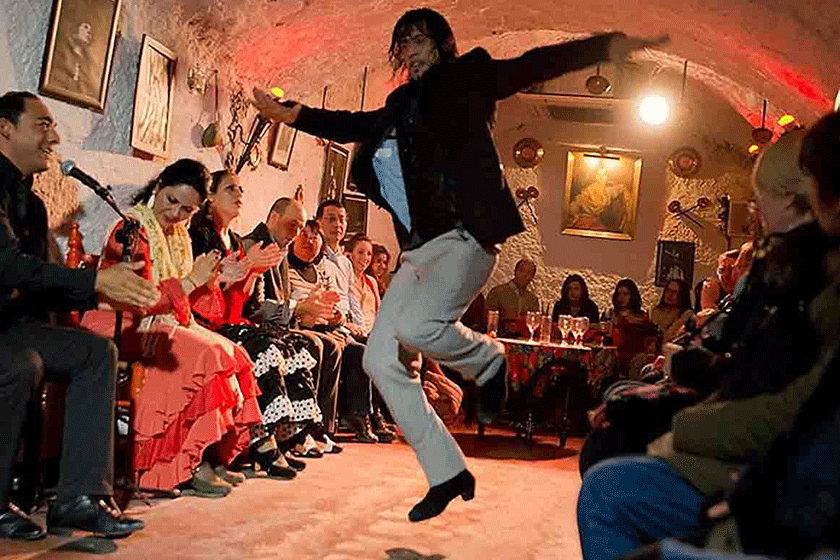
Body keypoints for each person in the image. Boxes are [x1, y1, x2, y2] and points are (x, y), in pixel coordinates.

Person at [252, 7, 666, 522]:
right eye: (403, 43)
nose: (411, 50)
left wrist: (606, 46)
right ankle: (448, 470)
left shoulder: (471, 73)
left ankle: (487, 361)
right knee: (380, 358)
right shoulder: (400, 103)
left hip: (468, 235)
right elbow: (352, 123)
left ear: (442, 43)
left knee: (417, 326)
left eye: (420, 39)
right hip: (422, 248)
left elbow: (534, 64)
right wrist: (292, 114)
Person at [576, 124, 836, 560]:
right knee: (621, 407)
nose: (754, 212)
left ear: (797, 199)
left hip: (766, 474)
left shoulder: (803, 275)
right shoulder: (787, 265)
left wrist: (682, 421)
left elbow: (775, 396)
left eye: (759, 201)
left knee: (609, 472)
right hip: (750, 440)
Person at [0, 91, 153, 540]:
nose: (54, 136)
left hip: (16, 324)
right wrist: (94, 284)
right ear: (4, 128)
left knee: (95, 351)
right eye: (42, 124)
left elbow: (38, 281)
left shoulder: (33, 203)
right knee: (21, 363)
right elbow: (6, 266)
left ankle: (79, 499)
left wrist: (104, 288)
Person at [81, 159, 263, 496]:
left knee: (234, 353)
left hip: (165, 320)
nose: (177, 215)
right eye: (171, 202)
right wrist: (191, 280)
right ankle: (177, 465)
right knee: (208, 353)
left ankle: (208, 455)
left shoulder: (180, 235)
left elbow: (191, 304)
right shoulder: (132, 228)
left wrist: (213, 280)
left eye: (188, 210)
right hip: (129, 323)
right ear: (159, 185)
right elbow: (139, 298)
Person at [189, 170, 330, 478]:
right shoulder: (200, 235)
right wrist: (248, 267)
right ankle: (261, 440)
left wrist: (249, 272)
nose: (240, 194)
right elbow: (204, 290)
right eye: (230, 189)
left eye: (241, 189)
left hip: (230, 317)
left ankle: (285, 434)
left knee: (292, 345)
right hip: (204, 319)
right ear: (210, 196)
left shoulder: (237, 240)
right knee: (264, 344)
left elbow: (244, 300)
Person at [241, 198, 343, 455]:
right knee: (315, 343)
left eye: (301, 229)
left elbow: (285, 302)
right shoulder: (254, 245)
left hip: (280, 324)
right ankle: (296, 431)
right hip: (255, 326)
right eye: (293, 227)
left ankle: (317, 429)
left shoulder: (280, 250)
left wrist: (307, 310)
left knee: (330, 345)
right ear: (274, 218)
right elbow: (255, 307)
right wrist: (298, 309)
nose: (296, 235)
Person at [486, 258, 541, 336]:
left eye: (529, 273)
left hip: (524, 341)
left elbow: (535, 324)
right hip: (500, 338)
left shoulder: (533, 299)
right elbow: (488, 320)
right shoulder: (497, 292)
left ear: (532, 277)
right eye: (521, 271)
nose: (524, 275)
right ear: (515, 272)